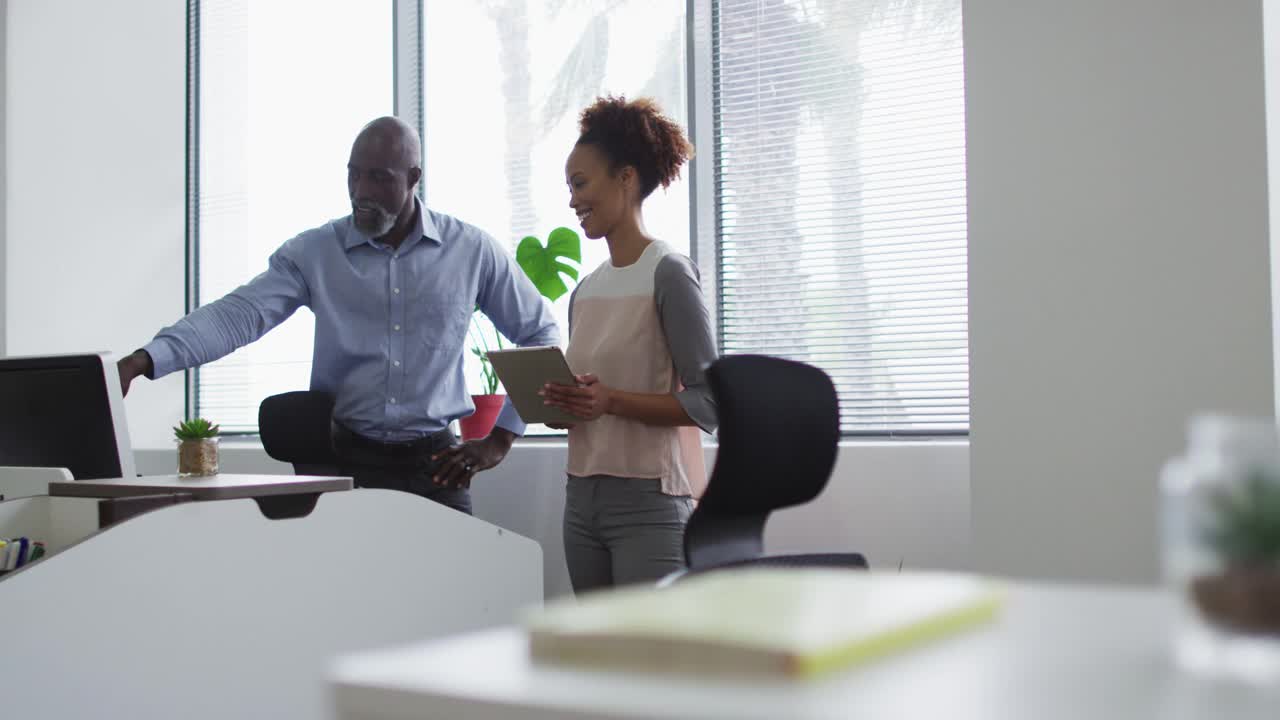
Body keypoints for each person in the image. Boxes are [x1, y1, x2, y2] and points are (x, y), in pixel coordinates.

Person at [117, 116, 559, 514]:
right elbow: (239, 315)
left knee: (450, 599)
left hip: (438, 469)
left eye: (379, 178)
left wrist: (501, 439)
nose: (361, 192)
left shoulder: (470, 251)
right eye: (354, 175)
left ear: (413, 178)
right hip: (346, 464)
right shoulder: (315, 253)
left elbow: (541, 331)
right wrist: (144, 361)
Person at [541, 96, 718, 593]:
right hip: (580, 502)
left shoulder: (668, 273)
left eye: (581, 184)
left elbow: (709, 401)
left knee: (649, 664)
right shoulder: (586, 289)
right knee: (597, 665)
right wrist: (564, 405)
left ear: (626, 178)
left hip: (650, 504)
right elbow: (587, 406)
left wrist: (611, 401)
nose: (573, 200)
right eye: (569, 188)